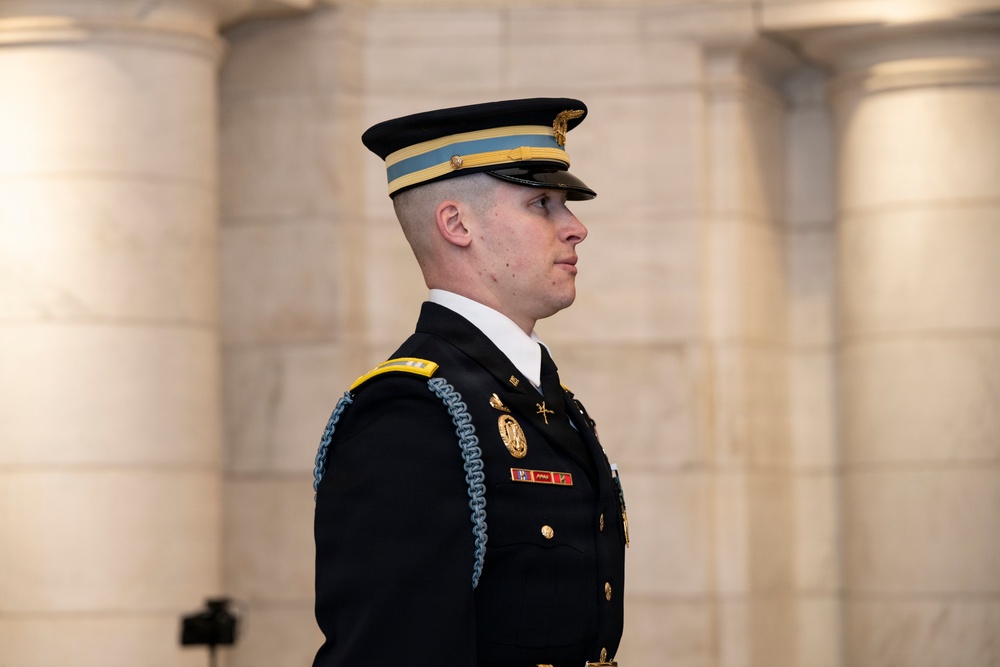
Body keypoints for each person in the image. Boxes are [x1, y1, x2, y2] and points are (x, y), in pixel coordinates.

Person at [312, 98, 628, 667]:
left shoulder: (539, 399)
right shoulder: (413, 410)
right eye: (542, 204)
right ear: (457, 224)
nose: (576, 228)